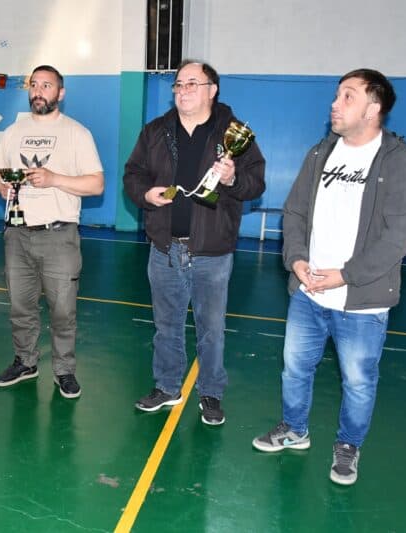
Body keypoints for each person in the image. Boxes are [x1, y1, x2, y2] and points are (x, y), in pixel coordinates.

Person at [252, 69, 406, 486]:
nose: (335, 103)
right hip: (308, 292)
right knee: (294, 368)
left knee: (359, 381)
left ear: (374, 107)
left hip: (362, 300)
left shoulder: (401, 162)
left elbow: (396, 240)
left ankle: (348, 447)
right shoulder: (321, 153)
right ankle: (295, 429)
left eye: (348, 96)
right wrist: (295, 261)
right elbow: (293, 212)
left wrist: (344, 276)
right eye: (336, 95)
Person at [123, 60, 266, 424]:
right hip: (165, 248)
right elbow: (132, 174)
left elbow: (256, 184)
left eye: (192, 83)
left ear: (211, 90)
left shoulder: (235, 133)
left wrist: (233, 180)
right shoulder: (155, 131)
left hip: (212, 251)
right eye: (178, 84)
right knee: (166, 325)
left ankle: (211, 393)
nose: (183, 90)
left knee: (211, 329)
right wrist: (146, 195)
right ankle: (168, 386)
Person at [0, 65, 104, 399]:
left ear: (60, 93)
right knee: (20, 306)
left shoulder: (77, 133)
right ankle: (25, 362)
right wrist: (2, 187)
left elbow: (97, 184)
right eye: (34, 85)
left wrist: (55, 179)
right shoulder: (13, 132)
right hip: (17, 234)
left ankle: (64, 370)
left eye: (47, 85)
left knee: (63, 309)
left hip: (59, 236)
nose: (39, 90)